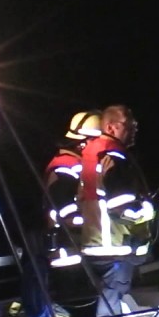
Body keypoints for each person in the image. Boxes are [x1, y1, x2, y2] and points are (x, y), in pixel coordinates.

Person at [79, 104, 158, 317]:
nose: (134, 129)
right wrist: (151, 209)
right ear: (111, 126)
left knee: (103, 308)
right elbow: (121, 206)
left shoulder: (93, 152)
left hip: (96, 242)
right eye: (129, 125)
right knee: (110, 312)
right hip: (115, 245)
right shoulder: (113, 154)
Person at [43, 111, 102, 269]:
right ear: (83, 143)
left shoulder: (75, 164)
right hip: (68, 250)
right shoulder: (66, 167)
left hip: (74, 246)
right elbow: (65, 212)